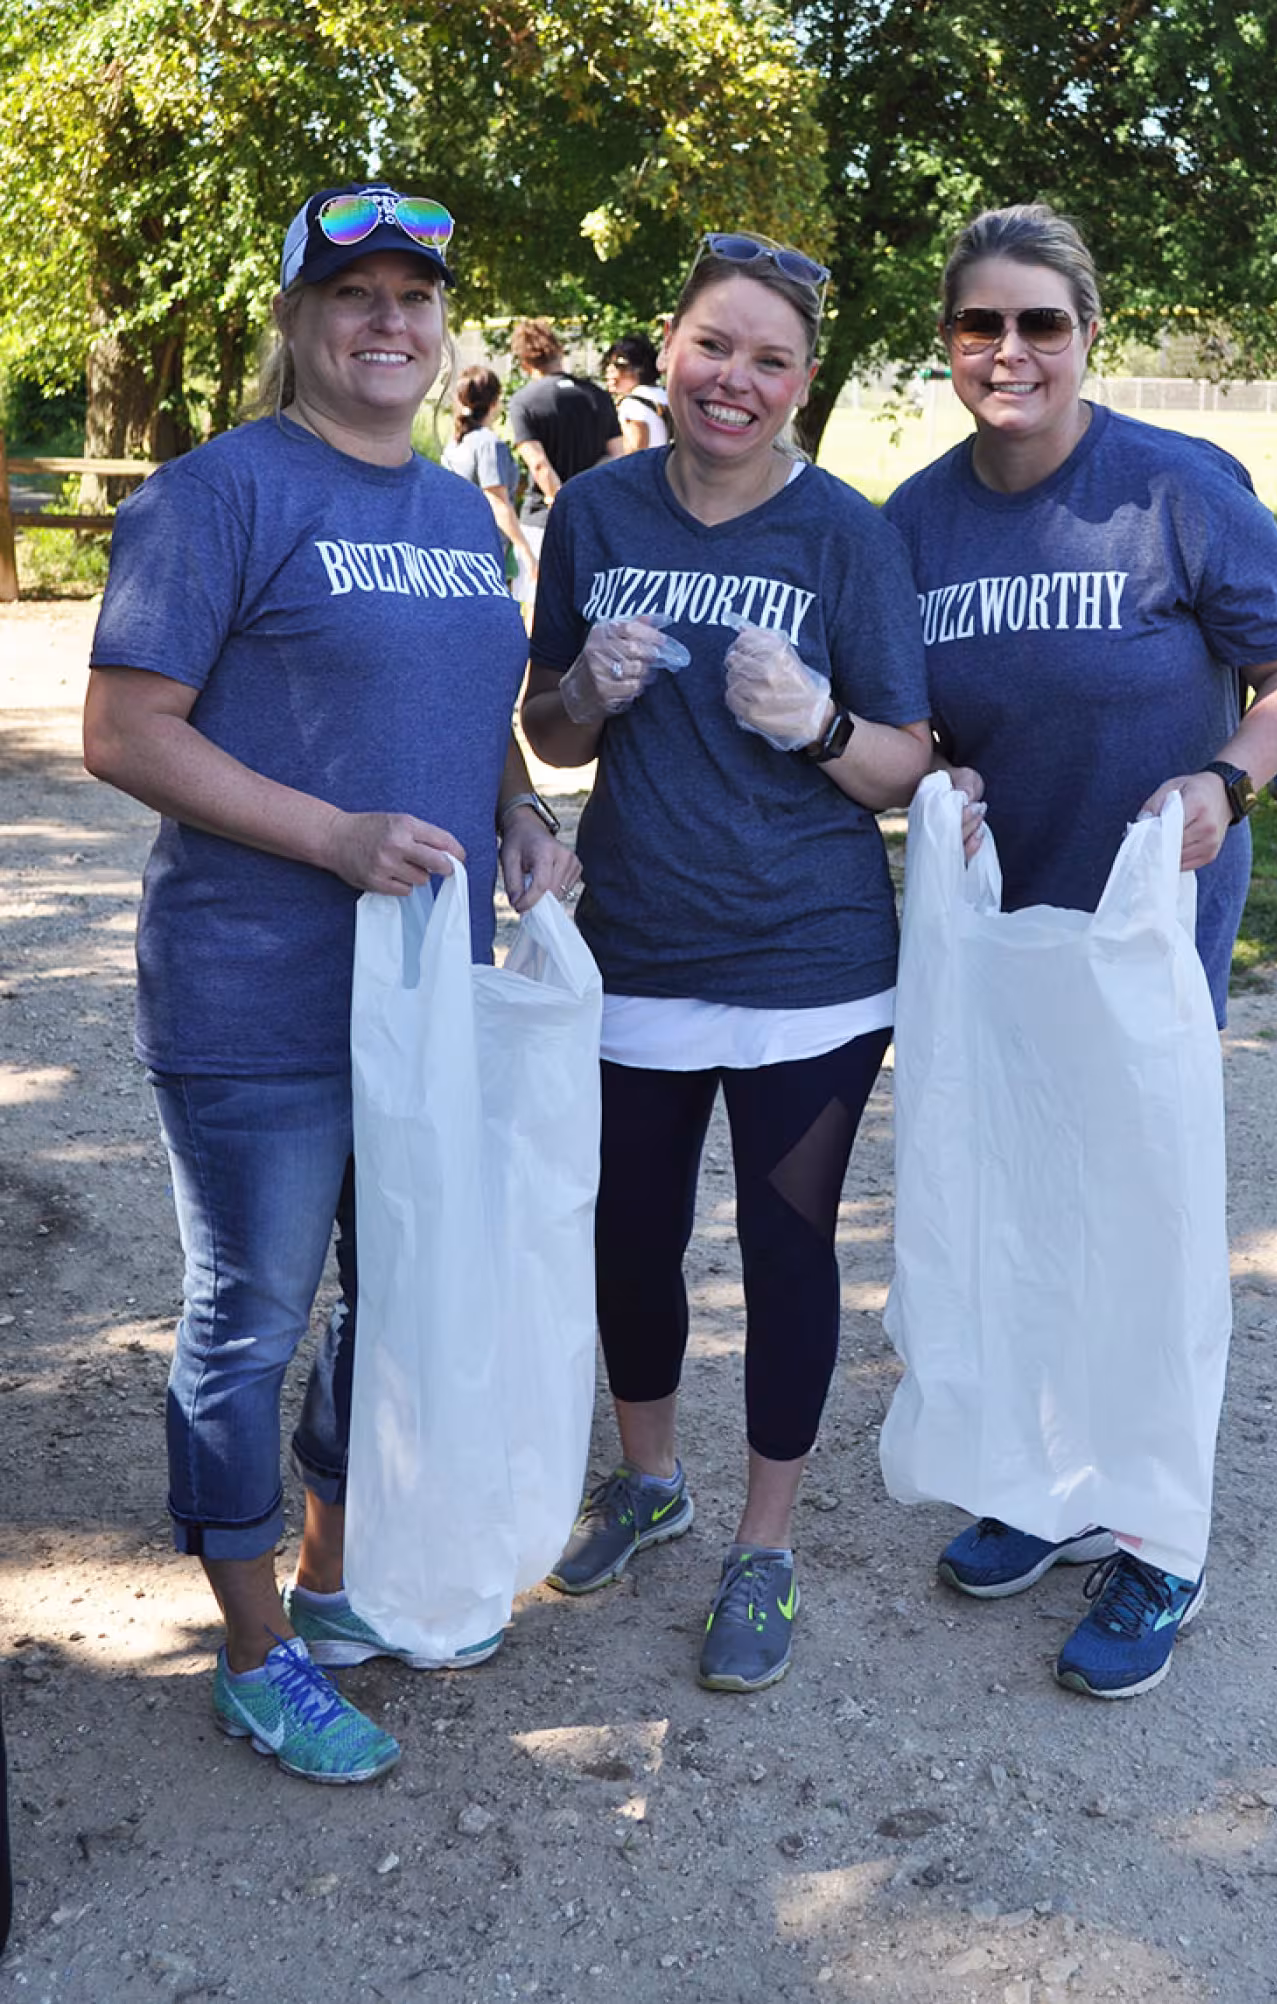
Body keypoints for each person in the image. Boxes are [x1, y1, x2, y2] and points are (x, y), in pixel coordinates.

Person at [82, 181, 581, 1785]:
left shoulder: (454, 512)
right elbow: (126, 730)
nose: (388, 321)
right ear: (295, 322)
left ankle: (335, 1583)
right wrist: (334, 836)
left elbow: (474, 710)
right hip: (256, 996)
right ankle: (251, 1649)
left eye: (415, 297)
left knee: (399, 1299)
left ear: (446, 332)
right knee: (251, 1320)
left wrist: (517, 815)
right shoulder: (216, 495)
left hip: (427, 993)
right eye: (352, 294)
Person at [521, 228, 983, 1695]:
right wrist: (584, 688)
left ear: (803, 380)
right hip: (640, 946)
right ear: (668, 349)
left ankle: (765, 1546)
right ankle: (650, 1484)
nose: (737, 379)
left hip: (815, 964)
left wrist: (819, 728)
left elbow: (908, 762)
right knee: (629, 1242)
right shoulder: (594, 514)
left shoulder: (848, 536)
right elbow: (547, 729)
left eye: (771, 359)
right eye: (716, 346)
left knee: (788, 1254)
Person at [884, 202, 1277, 1699]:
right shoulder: (917, 520)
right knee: (1024, 1199)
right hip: (1009, 933)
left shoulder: (1176, 489)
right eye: (978, 324)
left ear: (1089, 334)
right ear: (948, 340)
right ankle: (1051, 1488)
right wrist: (937, 770)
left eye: (1039, 324)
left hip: (1149, 924)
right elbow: (921, 722)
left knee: (1140, 1223)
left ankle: (1160, 1538)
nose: (1007, 352)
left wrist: (1226, 779)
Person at [507, 318, 623, 602]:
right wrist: (583, 493)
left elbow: (538, 464)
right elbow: (618, 455)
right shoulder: (598, 396)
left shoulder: (524, 401)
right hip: (594, 516)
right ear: (560, 352)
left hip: (543, 519)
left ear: (525, 362)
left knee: (540, 605)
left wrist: (561, 499)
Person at [442, 364, 537, 595]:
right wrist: (526, 551)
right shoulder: (488, 444)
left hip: (455, 547)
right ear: (495, 402)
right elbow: (497, 502)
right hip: (487, 553)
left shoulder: (454, 443)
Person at [602, 334, 669, 451]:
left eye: (619, 365)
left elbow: (633, 453)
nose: (609, 370)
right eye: (608, 364)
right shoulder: (663, 395)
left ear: (640, 369)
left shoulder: (632, 405)